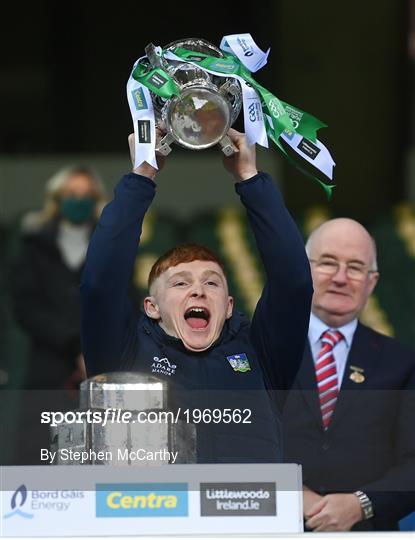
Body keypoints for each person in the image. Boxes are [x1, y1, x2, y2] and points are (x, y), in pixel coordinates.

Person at [81, 128, 313, 463]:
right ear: (151, 307)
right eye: (180, 283)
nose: (198, 290)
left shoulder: (260, 355)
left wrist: (250, 178)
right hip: (152, 513)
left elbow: (294, 283)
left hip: (247, 514)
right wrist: (142, 174)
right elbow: (99, 284)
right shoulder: (123, 355)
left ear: (229, 306)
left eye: (212, 283)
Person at [282, 218, 415, 531]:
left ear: (372, 282)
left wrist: (361, 504)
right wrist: (286, 492)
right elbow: (234, 440)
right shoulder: (261, 348)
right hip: (274, 527)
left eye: (355, 267)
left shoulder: (403, 363)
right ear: (304, 269)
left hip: (368, 532)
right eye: (328, 263)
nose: (341, 278)